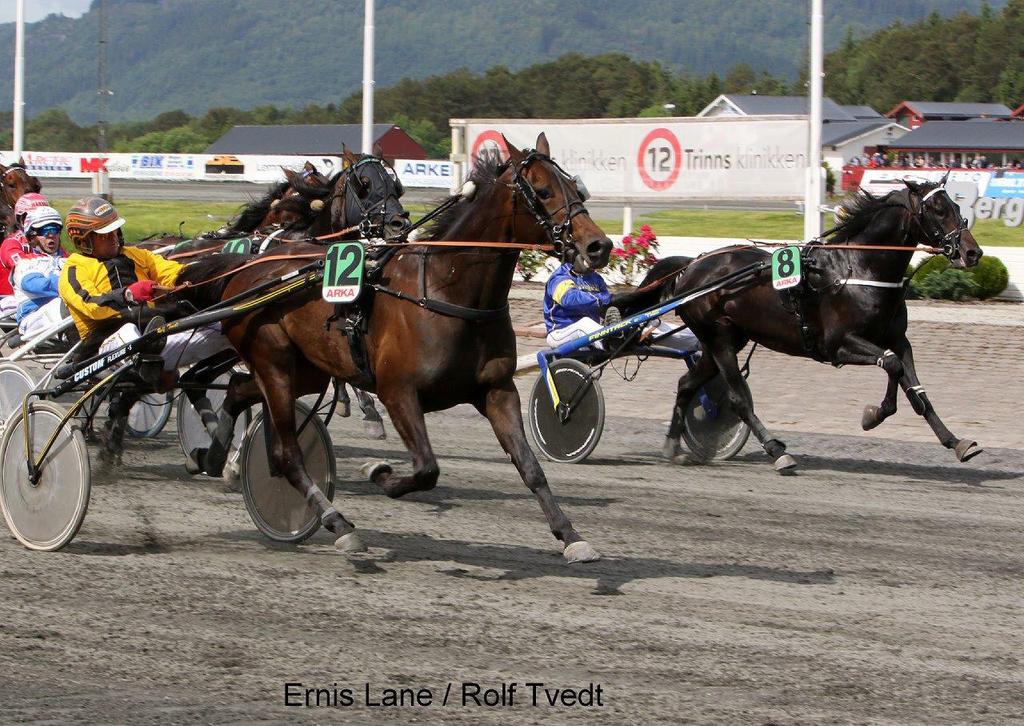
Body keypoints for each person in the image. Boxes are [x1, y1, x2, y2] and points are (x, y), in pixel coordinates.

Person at [58, 196, 231, 378]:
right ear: (84, 241)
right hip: (102, 346)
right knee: (127, 331)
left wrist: (207, 273)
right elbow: (91, 305)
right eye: (105, 235)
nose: (113, 238)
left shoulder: (138, 255)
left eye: (115, 231)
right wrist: (128, 294)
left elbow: (173, 272)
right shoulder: (74, 268)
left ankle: (193, 379)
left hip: (152, 335)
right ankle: (154, 372)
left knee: (224, 329)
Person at [12, 205, 67, 337]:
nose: (51, 235)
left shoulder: (69, 260)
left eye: (54, 229)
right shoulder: (25, 263)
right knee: (68, 304)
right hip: (32, 319)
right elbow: (37, 286)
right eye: (44, 230)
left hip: (63, 316)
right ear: (32, 237)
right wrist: (75, 284)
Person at [543, 258, 612, 348]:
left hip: (590, 332)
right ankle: (611, 341)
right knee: (584, 323)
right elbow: (569, 299)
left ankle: (621, 335)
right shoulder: (559, 277)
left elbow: (606, 302)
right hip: (559, 332)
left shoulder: (597, 278)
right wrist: (604, 300)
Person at [0, 192, 50, 316]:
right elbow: (24, 268)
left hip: (44, 298)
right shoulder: (12, 242)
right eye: (34, 216)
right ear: (21, 220)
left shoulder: (51, 242)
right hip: (12, 302)